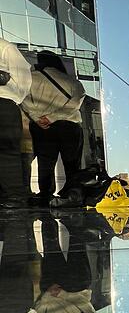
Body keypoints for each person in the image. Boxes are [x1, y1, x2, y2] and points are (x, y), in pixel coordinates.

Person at [20, 51, 86, 207]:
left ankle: (45, 195)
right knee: (72, 164)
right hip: (69, 126)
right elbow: (76, 102)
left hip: (42, 127)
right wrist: (54, 116)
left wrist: (38, 118)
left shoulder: (31, 78)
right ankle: (72, 195)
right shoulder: (72, 81)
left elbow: (23, 99)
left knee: (46, 163)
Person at [0, 38, 32, 209]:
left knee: (7, 153)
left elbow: (23, 79)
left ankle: (13, 198)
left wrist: (14, 97)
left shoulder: (4, 47)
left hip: (3, 104)